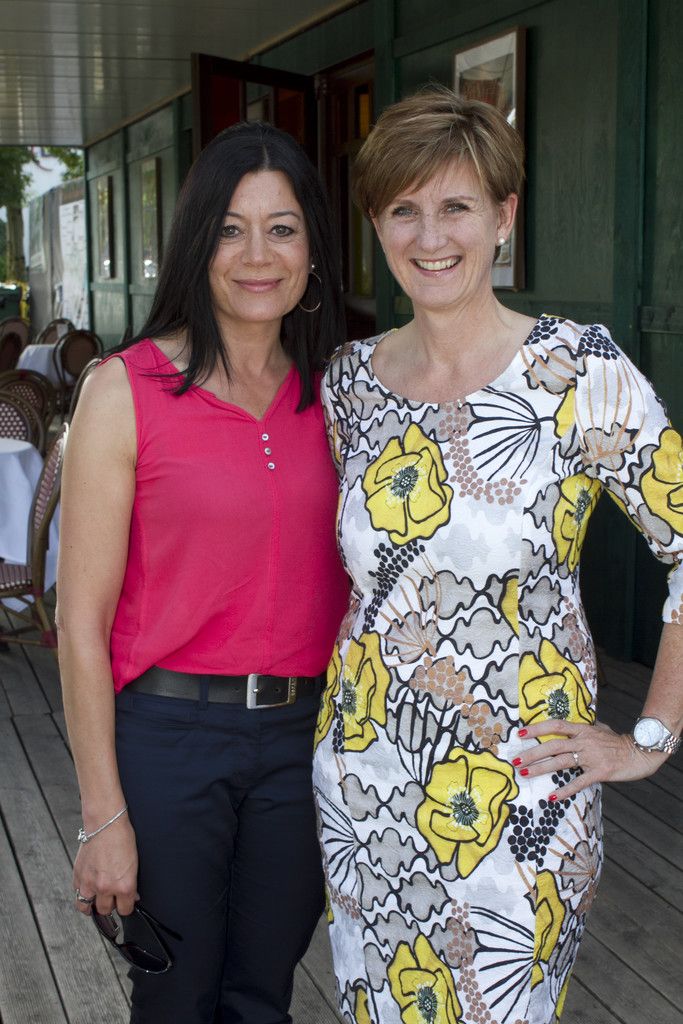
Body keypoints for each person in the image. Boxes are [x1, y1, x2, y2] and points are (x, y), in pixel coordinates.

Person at [312, 86, 683, 1024]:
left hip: (523, 801)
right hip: (365, 791)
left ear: (503, 217)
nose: (428, 235)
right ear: (376, 224)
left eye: (456, 206)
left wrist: (648, 738)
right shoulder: (349, 385)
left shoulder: (575, 370)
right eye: (402, 208)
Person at [57, 121, 349, 1024]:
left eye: (282, 228)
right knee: (176, 993)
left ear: (311, 249)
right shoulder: (125, 389)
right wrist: (103, 813)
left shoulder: (342, 393)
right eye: (230, 228)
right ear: (196, 243)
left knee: (263, 995)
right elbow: (78, 622)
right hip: (169, 738)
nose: (257, 255)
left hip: (304, 741)